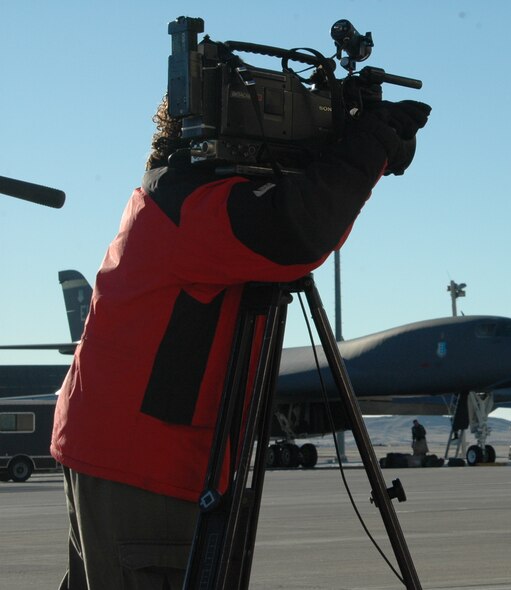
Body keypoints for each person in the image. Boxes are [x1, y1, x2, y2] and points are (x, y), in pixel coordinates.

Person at [51, 92, 430, 589]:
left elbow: (296, 227)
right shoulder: (194, 204)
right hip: (147, 468)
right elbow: (297, 230)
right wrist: (366, 148)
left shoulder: (175, 191)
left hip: (113, 453)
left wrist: (359, 158)